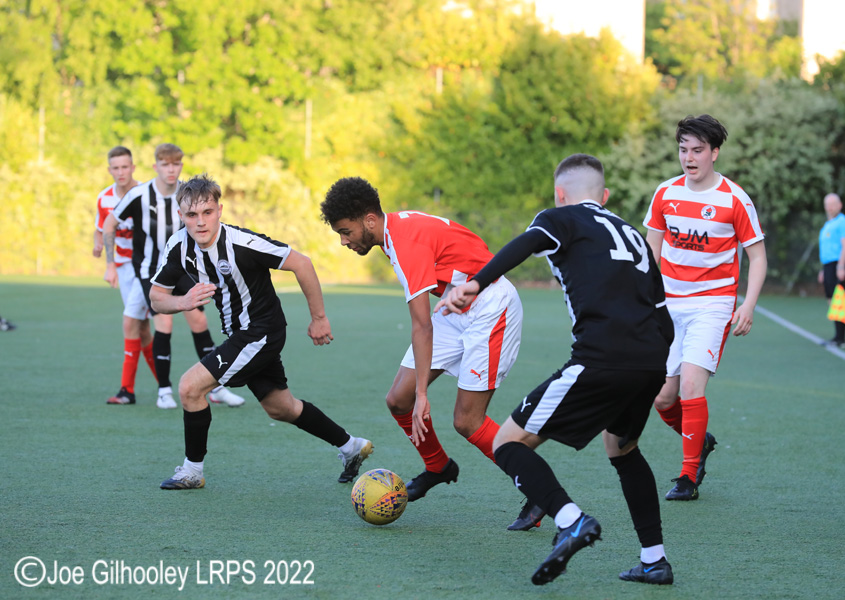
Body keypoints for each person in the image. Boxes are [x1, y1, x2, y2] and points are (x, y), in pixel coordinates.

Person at [436, 154, 675, 586]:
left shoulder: (560, 217)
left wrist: (475, 283)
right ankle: (654, 559)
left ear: (560, 195)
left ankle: (571, 519)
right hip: (654, 358)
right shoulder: (634, 235)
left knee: (509, 442)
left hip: (602, 357)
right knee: (623, 448)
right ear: (604, 196)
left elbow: (527, 242)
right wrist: (653, 372)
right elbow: (663, 316)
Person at [149, 174, 373, 489]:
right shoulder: (179, 246)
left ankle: (192, 471)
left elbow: (302, 263)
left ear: (220, 210)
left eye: (207, 212)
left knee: (189, 387)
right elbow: (157, 297)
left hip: (261, 331)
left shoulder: (243, 243)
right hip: (240, 335)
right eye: (191, 215)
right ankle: (351, 446)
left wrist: (319, 317)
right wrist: (182, 301)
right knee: (281, 408)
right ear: (180, 215)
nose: (200, 222)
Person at [320, 177, 524, 506]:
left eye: (346, 231)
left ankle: (536, 486)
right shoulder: (394, 232)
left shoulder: (403, 242)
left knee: (467, 421)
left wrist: (424, 394)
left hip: (490, 307)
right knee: (398, 400)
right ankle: (438, 466)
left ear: (369, 220)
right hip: (455, 306)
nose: (344, 241)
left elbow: (421, 325)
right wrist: (414, 395)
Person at [643, 114, 767, 501]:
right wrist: (643, 298)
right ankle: (700, 441)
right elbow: (652, 250)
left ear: (714, 152)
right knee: (662, 399)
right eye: (683, 150)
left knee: (692, 387)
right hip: (669, 307)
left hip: (712, 306)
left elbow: (758, 258)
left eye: (697, 150)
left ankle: (688, 476)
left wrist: (747, 304)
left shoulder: (734, 199)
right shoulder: (665, 193)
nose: (689, 158)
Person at [103, 143, 245, 409]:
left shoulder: (187, 192)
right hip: (149, 270)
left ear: (181, 165)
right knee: (163, 324)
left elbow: (205, 225)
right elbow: (110, 223)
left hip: (182, 268)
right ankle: (164, 391)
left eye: (176, 164)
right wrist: (111, 264)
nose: (171, 169)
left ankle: (216, 387)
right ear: (155, 166)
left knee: (199, 321)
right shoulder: (139, 194)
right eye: (165, 164)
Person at [93, 146, 158, 405]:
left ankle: (126, 390)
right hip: (123, 268)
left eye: (125, 167)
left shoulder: (145, 195)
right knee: (142, 329)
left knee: (130, 321)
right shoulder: (104, 198)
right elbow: (101, 229)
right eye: (115, 168)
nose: (120, 172)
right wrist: (100, 248)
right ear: (110, 170)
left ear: (133, 167)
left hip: (144, 267)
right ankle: (164, 385)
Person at [817, 192, 845, 348]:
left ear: (840, 205)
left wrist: (841, 265)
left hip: (837, 264)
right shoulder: (828, 224)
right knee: (832, 301)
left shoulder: (843, 222)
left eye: (833, 204)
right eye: (827, 205)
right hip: (828, 266)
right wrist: (824, 270)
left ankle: (841, 338)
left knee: (839, 300)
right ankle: (837, 336)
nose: (830, 208)